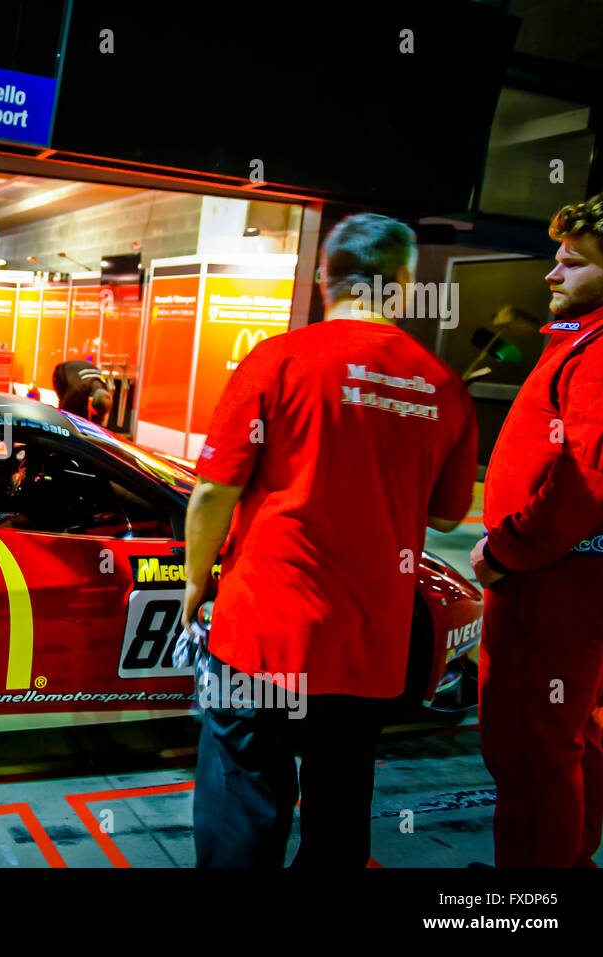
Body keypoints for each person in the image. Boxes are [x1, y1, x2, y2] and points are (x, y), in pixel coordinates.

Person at [183, 213, 477, 867]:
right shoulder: (443, 385)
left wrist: (195, 582)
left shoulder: (277, 360)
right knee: (339, 811)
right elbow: (451, 515)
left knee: (244, 801)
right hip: (367, 648)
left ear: (323, 278)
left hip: (262, 638)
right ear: (402, 286)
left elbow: (211, 493)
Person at [469, 189, 603, 868]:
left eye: (573, 261)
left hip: (554, 586)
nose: (552, 274)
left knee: (530, 748)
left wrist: (506, 550)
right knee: (571, 736)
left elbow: (588, 481)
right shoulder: (585, 341)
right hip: (570, 582)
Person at [52, 359, 113, 423]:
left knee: (85, 414)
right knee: (72, 412)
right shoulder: (76, 390)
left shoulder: (105, 390)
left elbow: (99, 418)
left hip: (83, 372)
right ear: (90, 400)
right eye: (93, 412)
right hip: (62, 372)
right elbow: (65, 413)